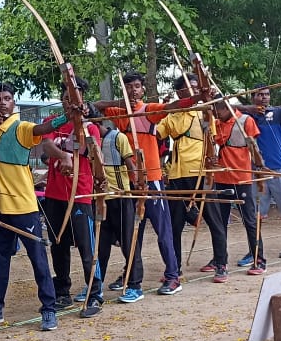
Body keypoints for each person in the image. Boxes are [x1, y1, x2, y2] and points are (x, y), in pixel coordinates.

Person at [0, 82, 67, 331]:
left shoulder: (21, 128)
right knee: (0, 262)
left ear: (14, 103)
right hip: (0, 206)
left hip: (24, 206)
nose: (2, 102)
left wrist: (68, 115)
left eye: (7, 98)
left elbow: (44, 127)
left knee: (38, 260)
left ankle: (49, 309)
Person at [92, 72, 197, 296]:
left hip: (150, 180)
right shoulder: (119, 113)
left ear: (143, 90)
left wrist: (196, 98)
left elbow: (174, 107)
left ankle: (173, 276)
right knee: (131, 234)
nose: (133, 90)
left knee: (163, 230)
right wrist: (120, 103)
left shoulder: (148, 111)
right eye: (129, 87)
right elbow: (97, 106)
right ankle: (131, 273)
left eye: (138, 87)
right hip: (128, 184)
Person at [40, 78, 106, 318]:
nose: (70, 101)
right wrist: (64, 157)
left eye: (75, 97)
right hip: (54, 195)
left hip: (81, 195)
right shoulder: (52, 123)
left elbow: (92, 155)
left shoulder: (90, 128)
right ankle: (62, 293)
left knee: (87, 248)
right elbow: (46, 146)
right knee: (58, 245)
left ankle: (95, 293)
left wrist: (80, 127)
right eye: (67, 97)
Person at [237, 85, 281, 266]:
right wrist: (248, 109)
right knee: (256, 215)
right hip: (257, 170)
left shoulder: (278, 113)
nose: (264, 98)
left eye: (267, 94)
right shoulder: (245, 116)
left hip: (279, 169)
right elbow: (223, 108)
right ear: (253, 97)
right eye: (260, 94)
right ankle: (255, 251)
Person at [199, 97, 265, 281]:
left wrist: (259, 171)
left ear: (227, 107)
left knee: (250, 221)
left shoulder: (246, 121)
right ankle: (220, 262)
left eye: (218, 110)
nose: (216, 114)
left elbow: (255, 150)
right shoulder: (216, 123)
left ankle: (259, 259)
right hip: (221, 179)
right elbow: (210, 148)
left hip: (242, 178)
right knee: (220, 223)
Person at [156, 74, 207, 273]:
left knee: (212, 218)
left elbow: (212, 139)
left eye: (196, 87)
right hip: (177, 173)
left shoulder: (203, 112)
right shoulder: (171, 116)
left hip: (199, 170)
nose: (194, 91)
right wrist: (159, 111)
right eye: (189, 88)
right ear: (179, 92)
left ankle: (221, 262)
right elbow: (156, 134)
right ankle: (174, 266)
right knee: (175, 224)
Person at [95, 123, 145, 302]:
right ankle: (95, 286)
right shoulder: (87, 140)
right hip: (100, 199)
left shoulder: (118, 137)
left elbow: (131, 164)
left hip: (120, 197)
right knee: (99, 246)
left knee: (128, 242)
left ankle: (134, 285)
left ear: (96, 123)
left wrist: (138, 184)